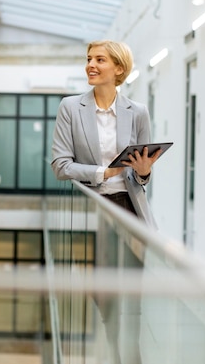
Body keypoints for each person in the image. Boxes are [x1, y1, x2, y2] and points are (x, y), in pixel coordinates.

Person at [51, 40, 162, 364]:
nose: (91, 64)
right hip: (93, 207)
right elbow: (60, 165)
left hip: (130, 208)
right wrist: (104, 171)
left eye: (100, 59)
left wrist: (143, 172)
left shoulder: (137, 111)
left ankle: (131, 355)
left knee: (132, 291)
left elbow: (142, 175)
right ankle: (113, 348)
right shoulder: (70, 107)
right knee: (103, 291)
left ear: (118, 68)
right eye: (88, 59)